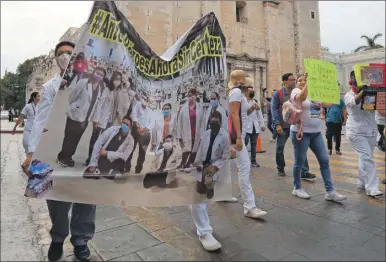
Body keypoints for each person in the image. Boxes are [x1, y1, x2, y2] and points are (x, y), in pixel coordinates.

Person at [22, 41, 95, 262]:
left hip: (83, 144)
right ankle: (57, 238)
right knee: (55, 196)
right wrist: (31, 152)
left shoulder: (89, 82)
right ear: (55, 59)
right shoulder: (51, 87)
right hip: (55, 147)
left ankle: (81, 241)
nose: (65, 56)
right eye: (61, 53)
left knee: (86, 197)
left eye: (69, 53)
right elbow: (39, 120)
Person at [289, 73, 346, 201]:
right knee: (299, 162)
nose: (303, 81)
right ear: (296, 83)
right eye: (301, 80)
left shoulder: (316, 93)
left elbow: (329, 104)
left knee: (324, 160)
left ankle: (330, 191)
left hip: (316, 133)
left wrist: (333, 89)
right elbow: (302, 97)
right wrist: (310, 82)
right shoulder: (296, 91)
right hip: (301, 133)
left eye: (305, 80)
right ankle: (297, 188)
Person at [228, 70, 267, 218]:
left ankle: (218, 193)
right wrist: (238, 137)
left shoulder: (239, 94)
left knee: (220, 166)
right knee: (244, 167)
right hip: (236, 137)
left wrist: (251, 109)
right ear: (240, 82)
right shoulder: (236, 93)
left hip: (238, 136)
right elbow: (233, 114)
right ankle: (249, 206)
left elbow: (242, 114)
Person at [189, 111, 230, 251]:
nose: (213, 123)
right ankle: (204, 231)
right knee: (199, 196)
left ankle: (203, 228)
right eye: (212, 121)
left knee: (204, 195)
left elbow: (225, 155)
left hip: (213, 168)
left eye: (216, 121)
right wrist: (196, 164)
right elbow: (201, 151)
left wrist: (214, 167)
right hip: (202, 167)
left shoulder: (224, 135)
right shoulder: (206, 134)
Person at [344, 71, 385, 197]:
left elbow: (381, 109)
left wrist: (379, 92)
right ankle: (372, 188)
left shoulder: (373, 94)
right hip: (356, 132)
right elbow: (353, 102)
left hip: (371, 132)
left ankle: (361, 181)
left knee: (365, 157)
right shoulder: (348, 95)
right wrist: (365, 91)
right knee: (367, 157)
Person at [57, 67, 107, 167]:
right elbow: (73, 96)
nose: (99, 76)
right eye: (97, 73)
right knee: (69, 137)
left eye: (101, 75)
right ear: (93, 72)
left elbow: (98, 106)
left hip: (86, 118)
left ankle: (69, 156)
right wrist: (74, 106)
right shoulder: (83, 82)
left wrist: (95, 120)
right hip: (74, 114)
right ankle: (62, 158)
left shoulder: (101, 89)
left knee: (77, 138)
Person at [271, 73, 315, 180]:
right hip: (283, 125)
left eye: (294, 79)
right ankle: (280, 167)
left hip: (297, 125)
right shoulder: (278, 94)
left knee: (301, 149)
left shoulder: (299, 91)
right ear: (284, 81)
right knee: (280, 148)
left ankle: (304, 171)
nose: (293, 81)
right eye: (291, 80)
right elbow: (274, 109)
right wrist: (277, 124)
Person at [176, 88, 204, 173]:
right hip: (186, 132)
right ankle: (183, 163)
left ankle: (189, 163)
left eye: (193, 95)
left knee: (194, 149)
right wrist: (179, 136)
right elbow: (179, 122)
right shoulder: (183, 108)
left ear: (196, 96)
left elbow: (203, 122)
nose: (191, 97)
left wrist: (202, 135)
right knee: (185, 149)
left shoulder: (200, 107)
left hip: (196, 132)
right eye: (189, 95)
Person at [125, 99, 153, 173]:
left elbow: (151, 123)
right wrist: (137, 126)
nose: (145, 102)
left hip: (145, 133)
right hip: (135, 130)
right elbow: (133, 115)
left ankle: (138, 169)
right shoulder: (137, 105)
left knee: (142, 153)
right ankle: (127, 167)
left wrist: (143, 130)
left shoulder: (150, 111)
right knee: (130, 149)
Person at [245, 85, 265, 167]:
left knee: (254, 144)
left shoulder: (255, 102)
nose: (251, 92)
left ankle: (253, 160)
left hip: (254, 126)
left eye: (252, 91)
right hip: (246, 127)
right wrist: (252, 108)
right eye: (250, 91)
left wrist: (262, 124)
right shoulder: (243, 102)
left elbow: (259, 114)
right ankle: (244, 160)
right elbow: (244, 113)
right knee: (244, 143)